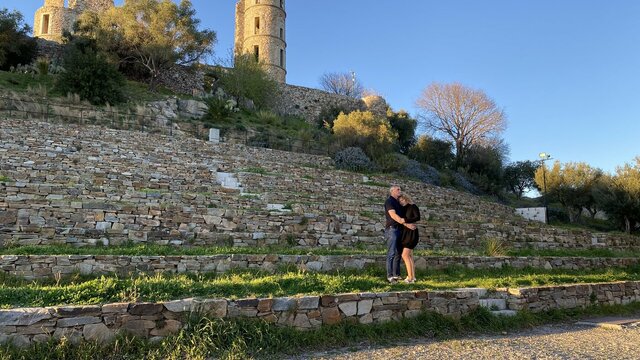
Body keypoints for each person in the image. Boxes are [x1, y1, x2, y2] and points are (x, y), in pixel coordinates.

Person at [384, 185, 416, 283]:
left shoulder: (398, 202)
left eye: (400, 189)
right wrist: (406, 223)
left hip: (400, 230)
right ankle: (390, 276)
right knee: (391, 253)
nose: (399, 191)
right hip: (392, 230)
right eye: (397, 189)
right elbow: (393, 215)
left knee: (398, 253)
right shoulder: (389, 201)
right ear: (392, 191)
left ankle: (396, 274)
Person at [398, 194, 420, 283]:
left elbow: (417, 217)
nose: (401, 201)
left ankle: (410, 278)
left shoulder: (413, 206)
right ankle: (412, 277)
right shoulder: (402, 208)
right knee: (409, 255)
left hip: (411, 233)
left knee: (405, 255)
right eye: (400, 201)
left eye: (402, 199)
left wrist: (405, 220)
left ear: (406, 198)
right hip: (405, 233)